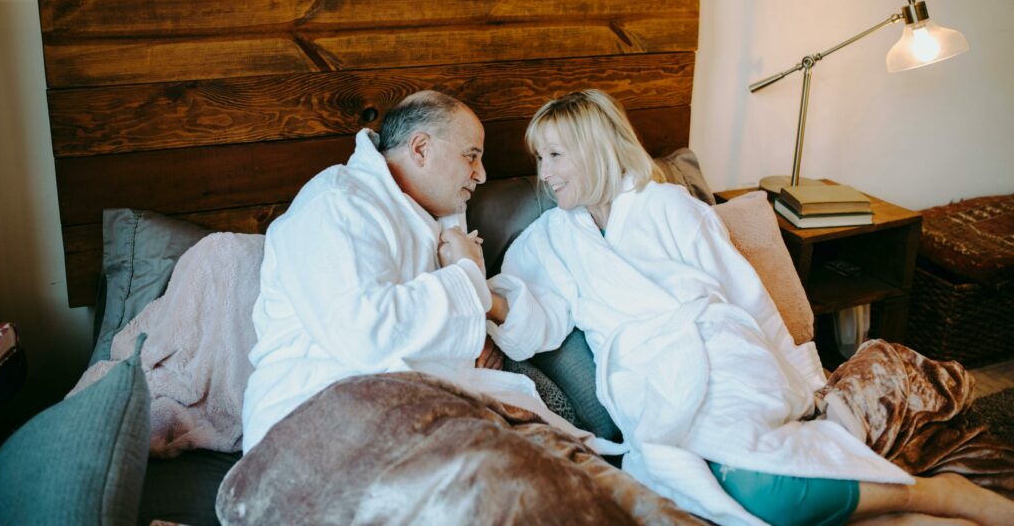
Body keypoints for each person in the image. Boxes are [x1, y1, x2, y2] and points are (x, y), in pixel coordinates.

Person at [495, 89, 1014, 526]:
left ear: (596, 149)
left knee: (761, 488)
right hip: (645, 379)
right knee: (700, 487)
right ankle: (905, 494)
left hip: (719, 349)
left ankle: (930, 495)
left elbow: (744, 293)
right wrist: (480, 293)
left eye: (555, 156)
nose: (545, 174)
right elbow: (535, 324)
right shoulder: (548, 241)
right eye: (540, 159)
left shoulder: (669, 205)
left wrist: (811, 379)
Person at [241, 90, 609, 455]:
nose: (481, 174)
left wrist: (477, 326)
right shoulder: (336, 203)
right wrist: (466, 273)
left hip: (423, 410)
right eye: (471, 157)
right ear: (420, 149)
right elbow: (367, 332)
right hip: (319, 417)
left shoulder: (431, 216)